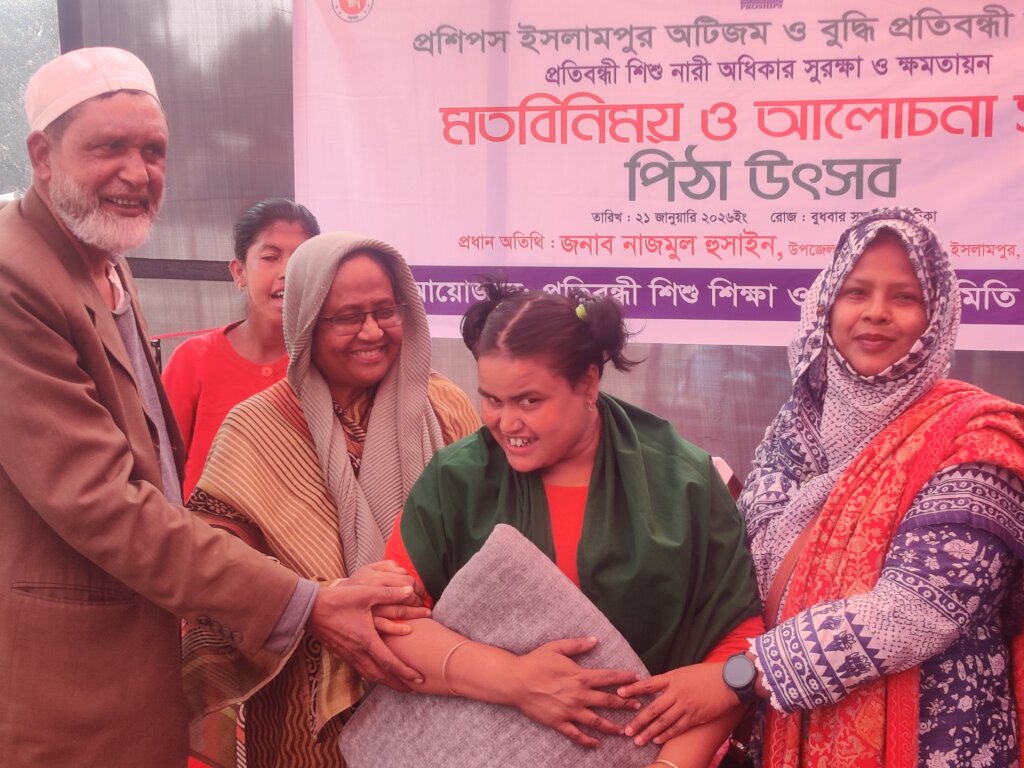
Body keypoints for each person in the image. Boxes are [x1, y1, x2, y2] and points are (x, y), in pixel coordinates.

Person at [0, 47, 427, 768]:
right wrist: (308, 602)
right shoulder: (16, 279)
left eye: (153, 151)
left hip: (160, 626)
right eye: (108, 147)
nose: (138, 173)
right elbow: (102, 501)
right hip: (76, 671)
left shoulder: (103, 259)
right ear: (43, 155)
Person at [650, 207, 1024, 766]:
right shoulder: (800, 425)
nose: (876, 313)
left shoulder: (975, 438)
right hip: (791, 735)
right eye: (856, 292)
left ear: (937, 316)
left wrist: (742, 675)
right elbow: (745, 563)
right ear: (827, 303)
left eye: (904, 297)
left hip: (935, 739)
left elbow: (915, 612)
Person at [380, 282, 764, 767]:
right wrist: (513, 681)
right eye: (492, 399)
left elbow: (735, 643)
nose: (506, 423)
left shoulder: (682, 482)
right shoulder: (458, 480)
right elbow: (392, 624)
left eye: (529, 401)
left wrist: (670, 765)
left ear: (587, 383)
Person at [182, 231, 480, 768]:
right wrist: (318, 602)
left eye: (385, 310)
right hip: (307, 724)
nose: (372, 331)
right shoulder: (257, 429)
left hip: (446, 696)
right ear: (305, 322)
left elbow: (492, 536)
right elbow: (212, 571)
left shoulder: (444, 407)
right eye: (346, 317)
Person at [163, 197, 320, 499]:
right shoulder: (193, 360)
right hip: (201, 529)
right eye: (270, 257)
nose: (288, 272)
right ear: (239, 273)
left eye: (302, 259)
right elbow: (160, 467)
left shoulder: (326, 365)